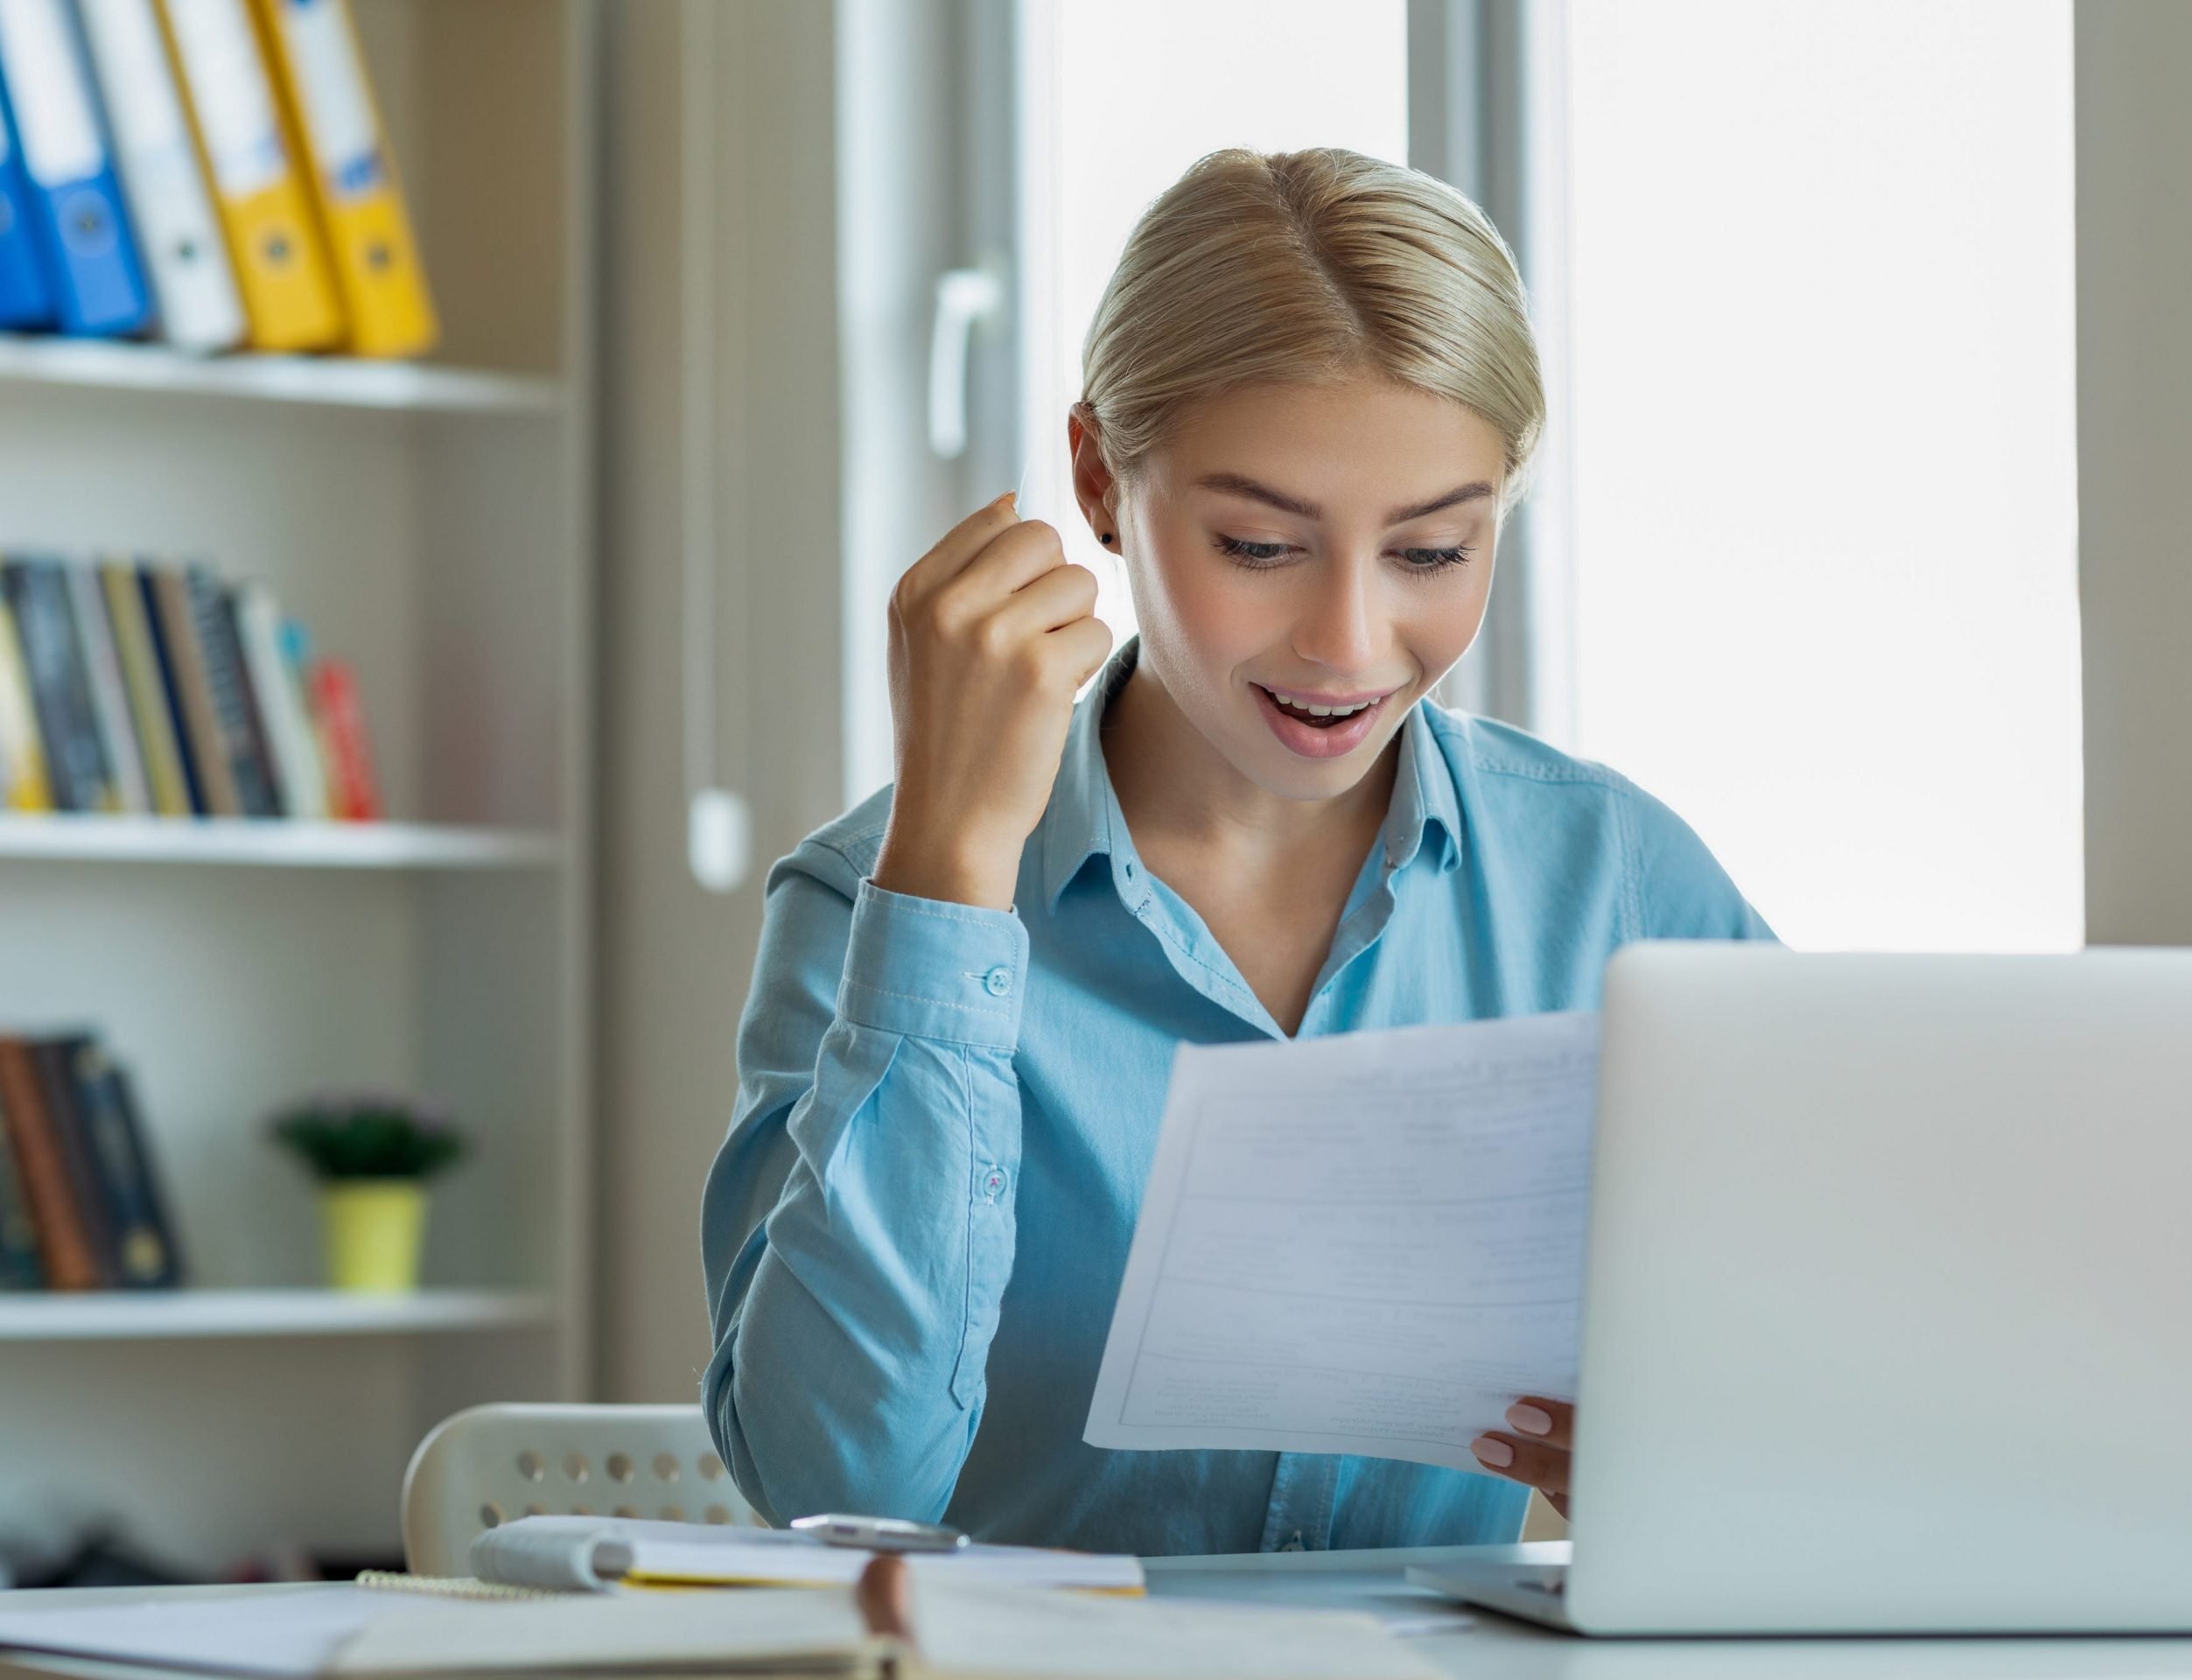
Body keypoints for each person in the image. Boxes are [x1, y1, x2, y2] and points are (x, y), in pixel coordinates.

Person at [701, 146, 1777, 1557]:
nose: (1347, 641)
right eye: (1260, 546)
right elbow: (837, 1484)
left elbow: (1829, 1365)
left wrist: (1704, 1450)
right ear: (1100, 480)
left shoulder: (1612, 878)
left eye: (1433, 552)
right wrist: (950, 874)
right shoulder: (874, 898)